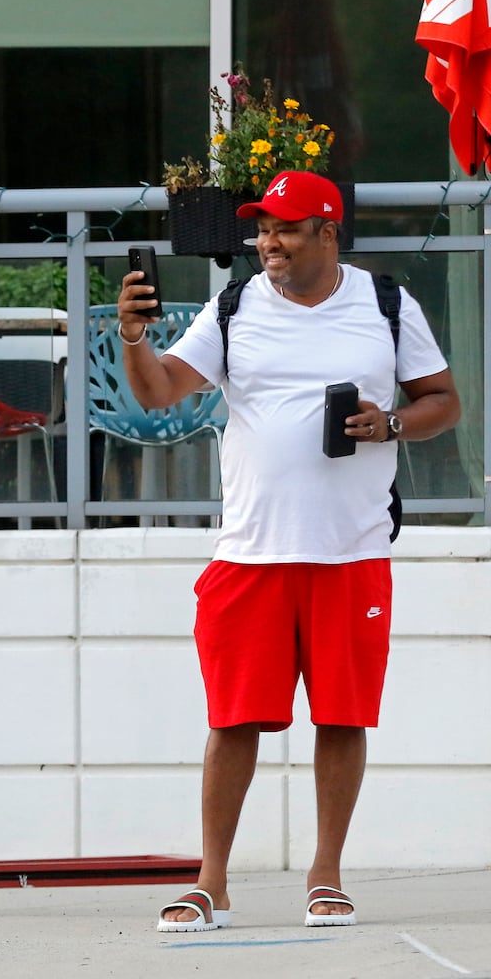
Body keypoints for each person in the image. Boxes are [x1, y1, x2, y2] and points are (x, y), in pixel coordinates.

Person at [116, 171, 460, 933]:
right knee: (233, 720)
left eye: (285, 228)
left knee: (342, 717)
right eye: (261, 229)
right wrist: (135, 338)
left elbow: (444, 401)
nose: (267, 242)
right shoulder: (234, 306)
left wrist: (393, 423)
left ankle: (326, 876)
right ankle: (212, 882)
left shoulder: (385, 304)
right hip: (250, 552)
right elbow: (160, 391)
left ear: (328, 232)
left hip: (353, 550)